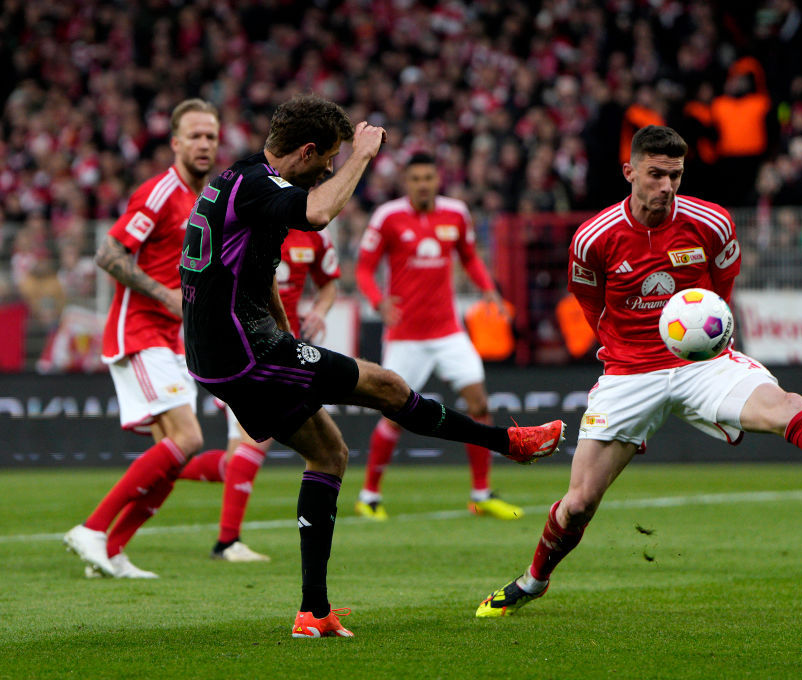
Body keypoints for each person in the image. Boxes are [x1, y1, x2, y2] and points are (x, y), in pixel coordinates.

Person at [475, 125, 802, 617]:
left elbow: (722, 293)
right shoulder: (593, 239)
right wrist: (625, 351)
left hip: (701, 362)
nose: (666, 186)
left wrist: (711, 345)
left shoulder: (712, 223)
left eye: (675, 175)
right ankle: (533, 581)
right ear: (629, 172)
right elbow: (590, 305)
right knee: (578, 503)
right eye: (656, 174)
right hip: (628, 373)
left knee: (786, 407)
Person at [178, 94, 565, 639]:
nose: (329, 170)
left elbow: (259, 276)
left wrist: (287, 336)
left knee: (329, 452)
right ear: (306, 151)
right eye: (327, 159)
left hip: (225, 353)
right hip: (243, 352)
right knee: (386, 385)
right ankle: (508, 443)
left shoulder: (237, 182)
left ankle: (313, 613)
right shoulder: (260, 186)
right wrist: (361, 154)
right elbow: (318, 213)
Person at [63, 98, 232, 579]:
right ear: (175, 142)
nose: (204, 144)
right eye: (195, 136)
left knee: (174, 456)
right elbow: (109, 254)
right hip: (139, 328)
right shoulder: (159, 192)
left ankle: (113, 551)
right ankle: (92, 529)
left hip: (175, 338)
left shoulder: (211, 199)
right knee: (188, 437)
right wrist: (165, 295)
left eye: (211, 136)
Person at [354, 152, 521, 521]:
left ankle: (481, 494)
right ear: (406, 182)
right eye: (416, 179)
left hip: (448, 330)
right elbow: (364, 270)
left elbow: (469, 257)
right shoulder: (387, 217)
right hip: (405, 336)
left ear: (437, 179)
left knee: (478, 402)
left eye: (428, 178)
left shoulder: (456, 213)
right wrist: (379, 302)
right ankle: (369, 496)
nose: (423, 185)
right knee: (394, 415)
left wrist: (488, 288)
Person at [208, 227, 343, 563]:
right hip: (241, 347)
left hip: (280, 347)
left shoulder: (315, 234)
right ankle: (227, 543)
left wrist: (319, 311)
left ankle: (169, 466)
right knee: (259, 438)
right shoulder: (250, 221)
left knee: (234, 461)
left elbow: (328, 283)